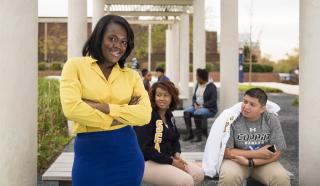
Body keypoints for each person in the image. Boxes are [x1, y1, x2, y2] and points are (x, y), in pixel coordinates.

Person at [60, 15, 152, 186]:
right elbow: (71, 109)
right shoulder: (74, 66)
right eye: (112, 38)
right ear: (99, 37)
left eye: (124, 42)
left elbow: (144, 115)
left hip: (127, 156)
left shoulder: (132, 76)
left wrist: (99, 106)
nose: (118, 46)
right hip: (90, 155)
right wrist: (122, 114)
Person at [134, 81, 204, 186]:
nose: (162, 98)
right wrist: (172, 162)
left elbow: (175, 138)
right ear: (154, 97)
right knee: (186, 181)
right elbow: (145, 150)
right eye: (158, 95)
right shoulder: (146, 116)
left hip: (168, 158)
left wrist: (177, 154)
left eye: (166, 95)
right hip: (146, 162)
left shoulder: (169, 115)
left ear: (172, 98)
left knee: (198, 174)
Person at [218, 88, 290, 186]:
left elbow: (277, 149)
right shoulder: (232, 119)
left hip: (264, 162)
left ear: (262, 109)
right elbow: (227, 151)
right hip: (236, 162)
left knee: (281, 178)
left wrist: (251, 162)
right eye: (245, 101)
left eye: (252, 104)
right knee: (229, 177)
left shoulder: (271, 119)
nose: (246, 107)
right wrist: (257, 153)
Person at [183, 68, 217, 142]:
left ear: (202, 78)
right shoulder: (198, 85)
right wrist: (195, 104)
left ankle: (199, 137)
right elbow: (194, 97)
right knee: (186, 112)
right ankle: (190, 134)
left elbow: (213, 101)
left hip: (209, 109)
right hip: (197, 106)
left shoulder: (212, 87)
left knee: (197, 113)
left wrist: (201, 106)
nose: (196, 78)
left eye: (197, 76)